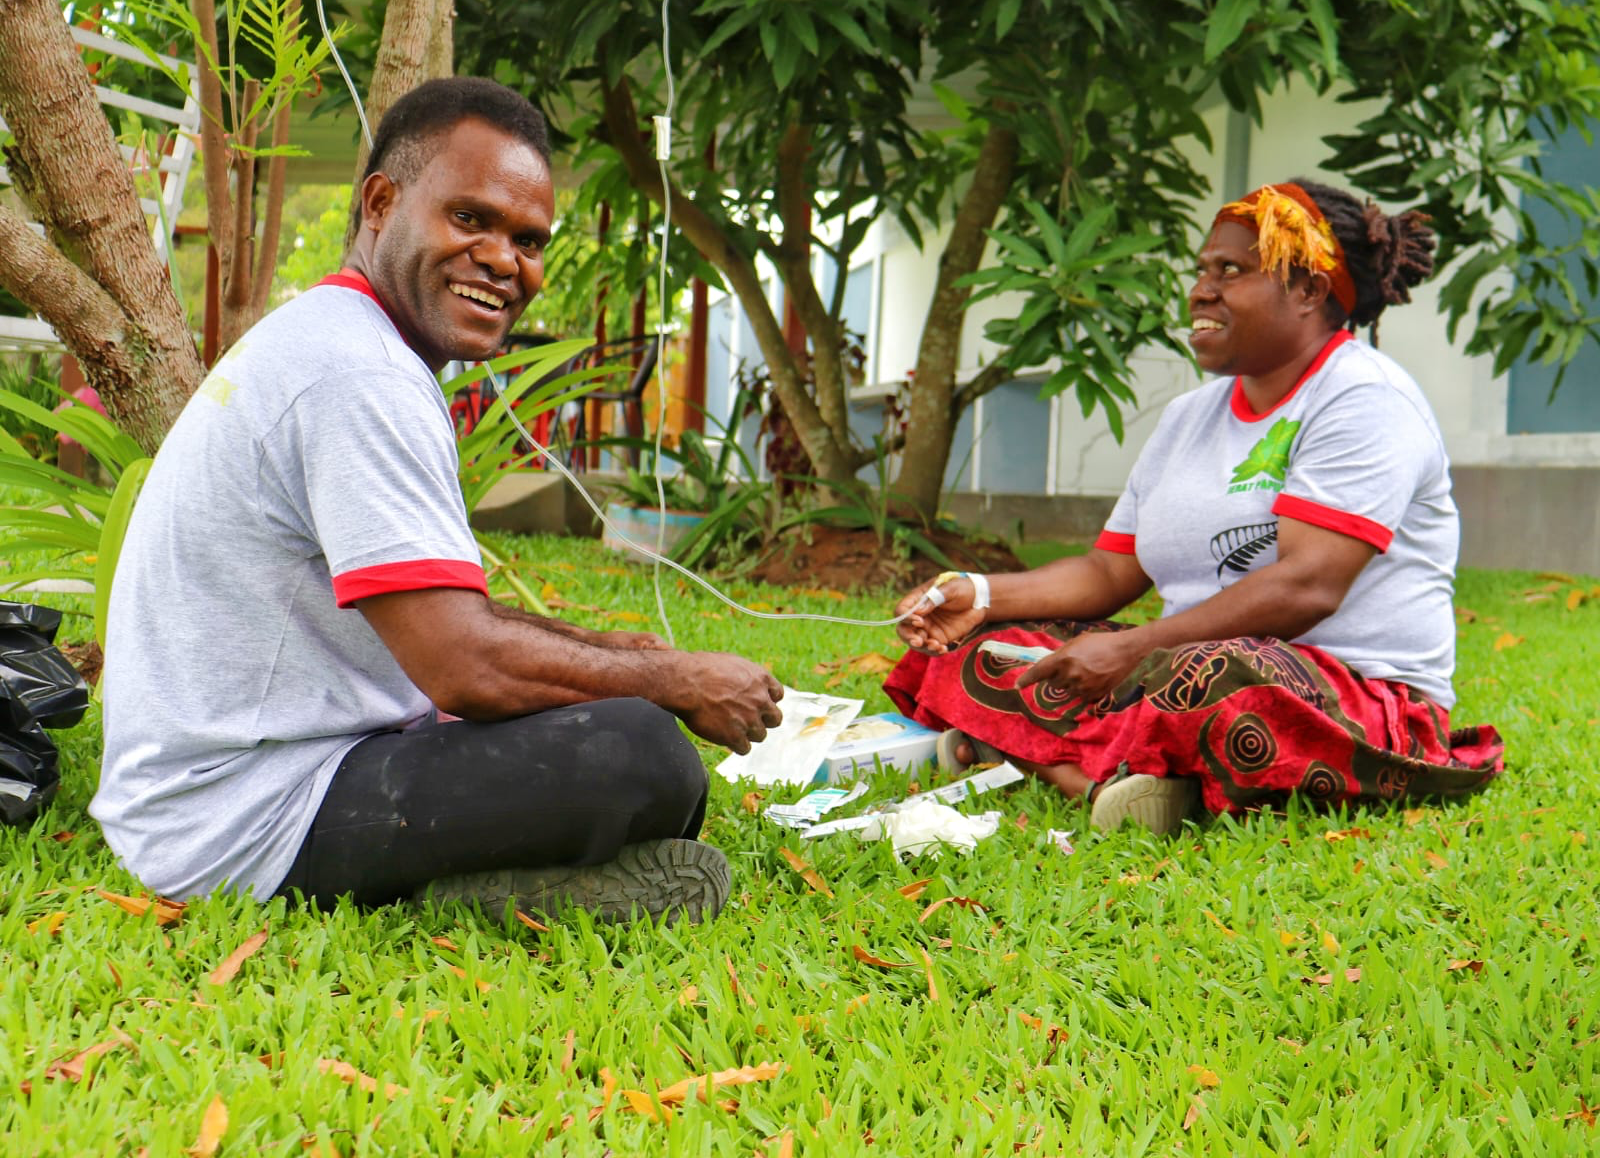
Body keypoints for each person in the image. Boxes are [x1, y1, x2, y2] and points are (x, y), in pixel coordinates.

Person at [91, 78, 783, 921]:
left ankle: (508, 879)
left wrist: (617, 652)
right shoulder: (358, 373)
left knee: (624, 716)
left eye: (529, 240)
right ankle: (474, 898)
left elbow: (455, 619)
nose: (503, 260)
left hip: (226, 785)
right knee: (640, 757)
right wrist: (671, 680)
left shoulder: (340, 340)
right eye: (470, 219)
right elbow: (465, 666)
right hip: (237, 817)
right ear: (381, 202)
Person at [886, 179, 1503, 835]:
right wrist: (979, 594)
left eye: (1232, 270)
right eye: (1203, 269)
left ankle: (1041, 757)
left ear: (1308, 291)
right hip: (1170, 668)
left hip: (1350, 694)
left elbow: (1308, 586)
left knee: (1221, 681)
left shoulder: (1364, 399)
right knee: (984, 647)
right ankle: (1120, 778)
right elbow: (1106, 575)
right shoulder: (1188, 418)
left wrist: (1134, 652)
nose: (1201, 290)